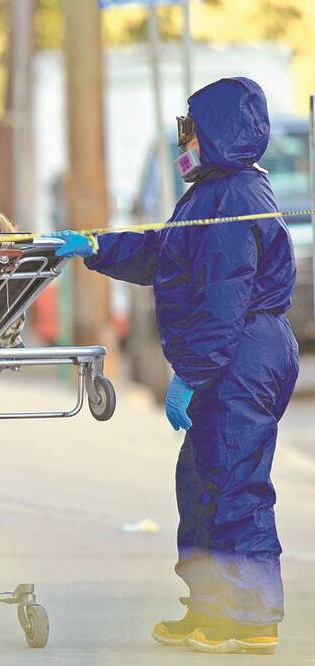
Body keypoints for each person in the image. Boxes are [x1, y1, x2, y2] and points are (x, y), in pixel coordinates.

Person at [52, 77, 298, 655]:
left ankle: (249, 617)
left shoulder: (234, 196)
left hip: (240, 356)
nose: (183, 139)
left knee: (234, 485)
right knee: (203, 483)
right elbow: (167, 253)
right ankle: (212, 606)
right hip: (233, 354)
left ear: (216, 130)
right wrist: (97, 248)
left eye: (190, 128)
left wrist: (193, 372)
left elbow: (222, 298)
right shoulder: (213, 192)